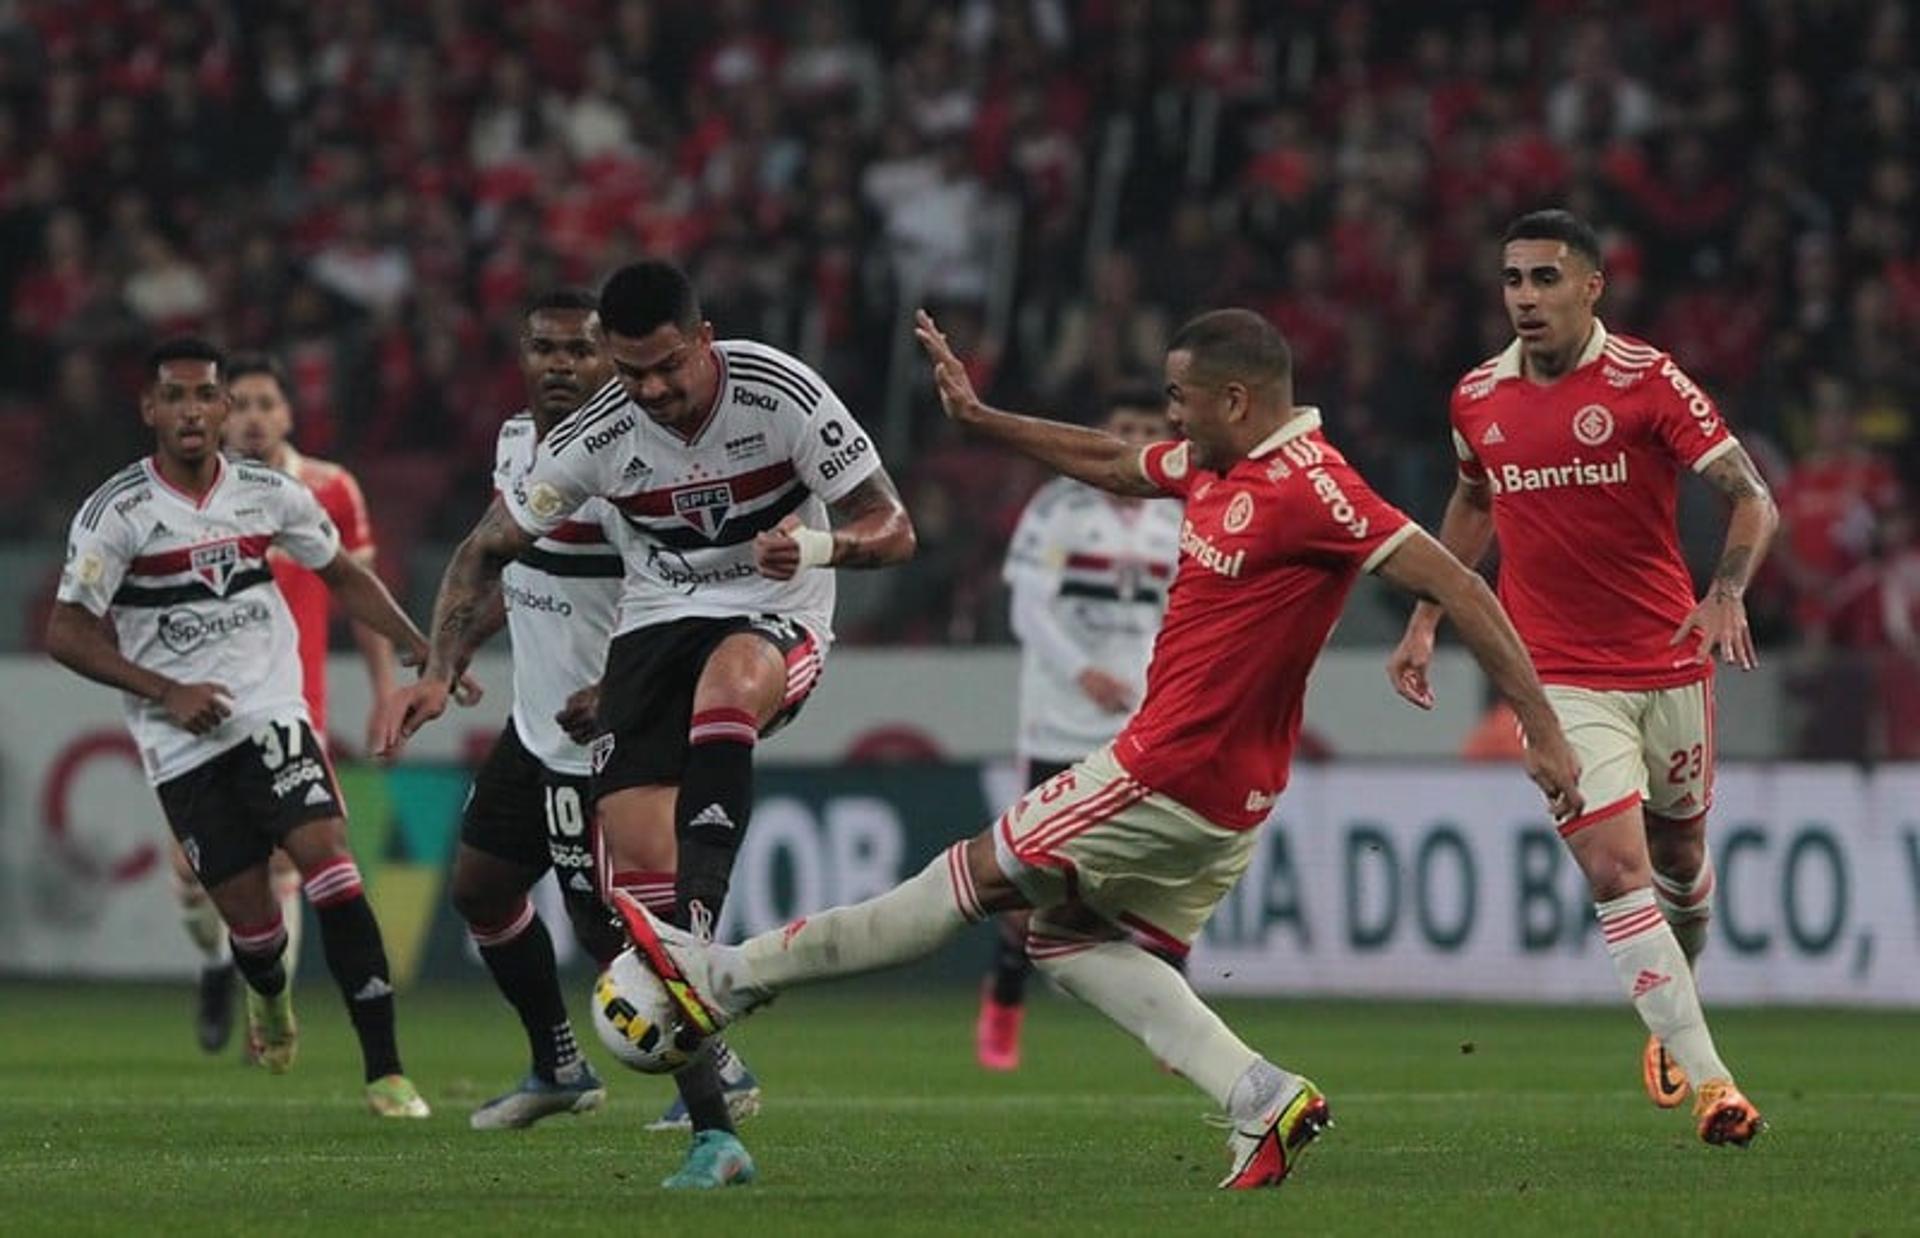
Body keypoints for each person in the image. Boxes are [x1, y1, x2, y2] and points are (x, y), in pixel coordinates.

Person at [606, 307, 1582, 1191]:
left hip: (1166, 769)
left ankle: (724, 978)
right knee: (1067, 941)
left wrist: (1539, 723)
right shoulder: (1218, 465)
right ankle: (1260, 1095)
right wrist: (985, 418)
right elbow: (1113, 464)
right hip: (1226, 797)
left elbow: (1466, 584)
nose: (1166, 419)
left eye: (1178, 399)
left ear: (1234, 398)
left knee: (965, 880)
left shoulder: (1313, 489)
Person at [377, 261, 916, 1187]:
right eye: (635, 374)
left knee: (728, 682)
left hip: (775, 611)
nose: (655, 390)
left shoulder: (781, 392)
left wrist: (817, 544)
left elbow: (895, 527)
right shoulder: (591, 438)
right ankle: (716, 1135)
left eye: (669, 367)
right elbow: (486, 551)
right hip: (654, 629)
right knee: (632, 883)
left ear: (704, 340)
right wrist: (438, 669)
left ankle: (701, 931)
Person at [1387, 209, 1777, 1146]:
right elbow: (1474, 502)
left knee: (1681, 862)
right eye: (1513, 280)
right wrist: (1427, 614)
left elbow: (1751, 497)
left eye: (1545, 279)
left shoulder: (1648, 383)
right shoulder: (1476, 397)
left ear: (1591, 287)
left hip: (1669, 663)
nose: (1525, 298)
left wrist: (1725, 589)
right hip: (1553, 677)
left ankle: (1670, 1014)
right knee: (1616, 867)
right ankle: (1716, 1082)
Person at [46, 338, 446, 1117]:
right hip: (181, 742)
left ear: (224, 410)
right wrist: (164, 689)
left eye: (206, 397)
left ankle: (387, 1070)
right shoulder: (116, 512)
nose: (192, 411)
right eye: (176, 397)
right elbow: (67, 631)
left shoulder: (270, 494)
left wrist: (415, 643)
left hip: (271, 712)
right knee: (256, 932)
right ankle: (266, 996)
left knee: (330, 863)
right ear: (151, 410)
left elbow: (341, 574)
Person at [175, 352, 397, 1060]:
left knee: (283, 865)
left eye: (265, 403)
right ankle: (217, 966)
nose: (251, 417)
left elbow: (357, 595)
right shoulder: (185, 496)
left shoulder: (330, 490)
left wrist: (386, 690)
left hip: (291, 706)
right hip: (204, 713)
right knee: (192, 877)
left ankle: (266, 1009)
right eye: (237, 403)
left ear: (288, 414)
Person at [976, 386, 1181, 1071]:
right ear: (1103, 430)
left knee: (1164, 865)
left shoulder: (1177, 517)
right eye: (1125, 426)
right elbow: (1027, 613)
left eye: (1149, 428)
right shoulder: (1061, 505)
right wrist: (1083, 670)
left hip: (1143, 720)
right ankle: (1006, 993)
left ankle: (1175, 1022)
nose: (1136, 438)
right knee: (1034, 874)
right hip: (1061, 716)